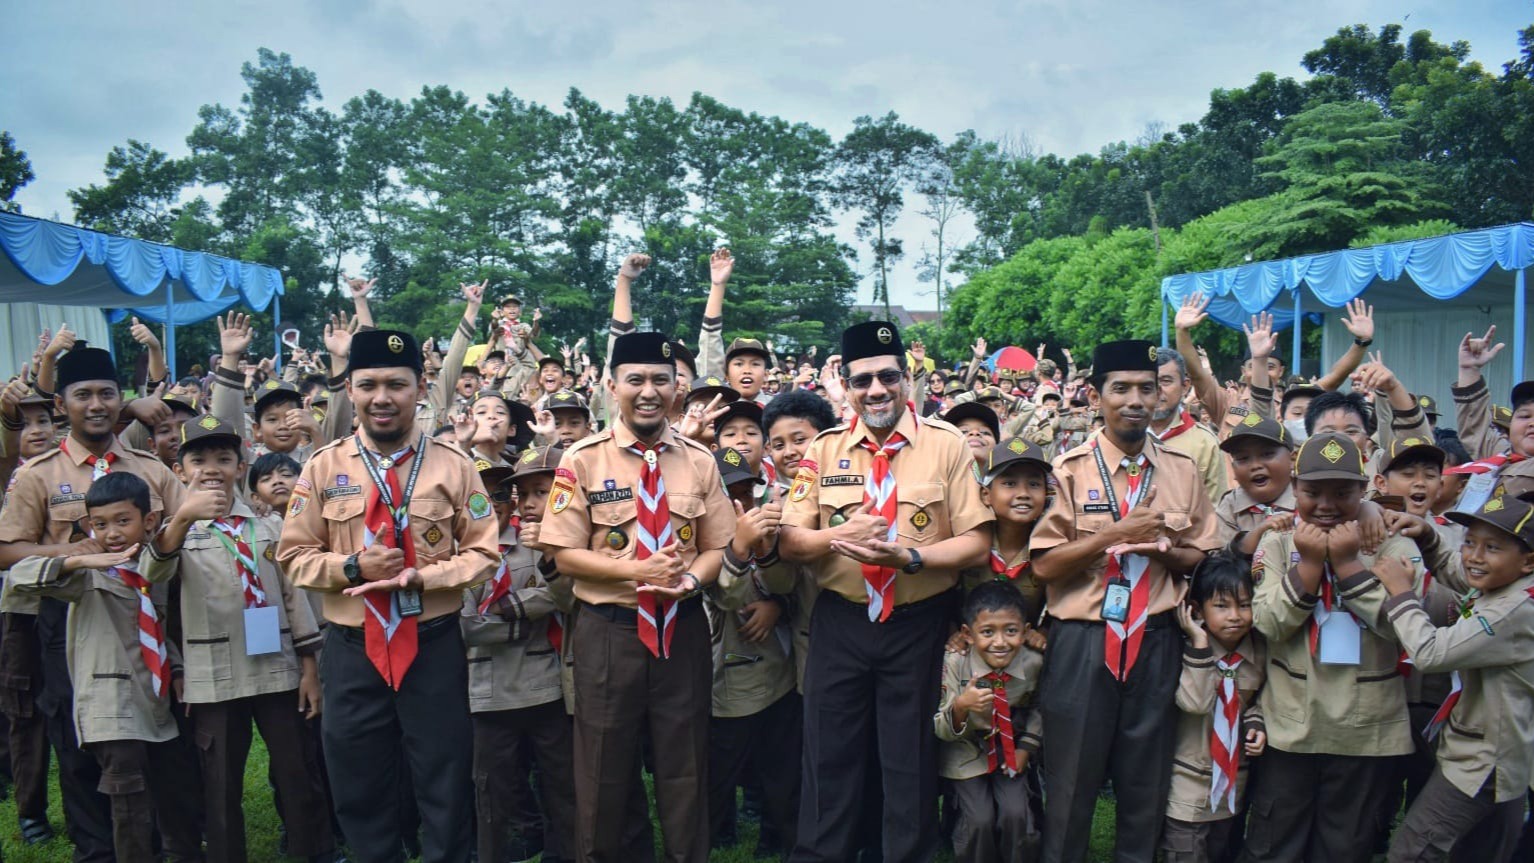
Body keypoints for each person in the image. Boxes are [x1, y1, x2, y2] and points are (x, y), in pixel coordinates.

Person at [278, 328, 500, 863]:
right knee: (357, 780)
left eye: (396, 385)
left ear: (419, 388)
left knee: (445, 775)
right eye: (369, 384)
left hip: (434, 643)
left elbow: (484, 553)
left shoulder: (455, 464)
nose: (383, 397)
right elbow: (292, 556)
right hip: (353, 648)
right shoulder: (323, 467)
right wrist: (351, 565)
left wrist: (428, 576)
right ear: (350, 390)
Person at [780, 320, 992, 863]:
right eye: (863, 380)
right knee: (828, 753)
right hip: (842, 620)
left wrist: (911, 557)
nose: (876, 390)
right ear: (846, 387)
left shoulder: (947, 446)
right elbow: (790, 540)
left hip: (917, 620)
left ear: (907, 378)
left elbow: (976, 541)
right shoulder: (823, 450)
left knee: (909, 758)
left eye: (887, 376)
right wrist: (836, 536)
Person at [537, 331, 735, 862]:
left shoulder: (699, 461)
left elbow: (720, 546)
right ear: (611, 386)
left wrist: (691, 581)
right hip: (609, 632)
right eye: (636, 380)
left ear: (677, 389)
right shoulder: (581, 460)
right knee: (602, 769)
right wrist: (637, 571)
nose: (649, 391)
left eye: (660, 381)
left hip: (683, 628)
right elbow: (563, 553)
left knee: (685, 765)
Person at [1029, 339, 1220, 863]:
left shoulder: (1183, 468)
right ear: (1096, 396)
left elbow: (1204, 558)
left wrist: (1166, 549)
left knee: (1146, 781)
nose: (1136, 399)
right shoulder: (1066, 470)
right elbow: (1044, 565)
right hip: (1084, 641)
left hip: (1157, 640)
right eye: (1121, 389)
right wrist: (1115, 533)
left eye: (1148, 387)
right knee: (1071, 780)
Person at [0, 344, 189, 861]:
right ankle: (97, 849)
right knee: (79, 741)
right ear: (62, 405)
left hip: (152, 614)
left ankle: (153, 840)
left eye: (107, 393)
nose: (97, 404)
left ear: (120, 398)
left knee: (159, 734)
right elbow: (7, 550)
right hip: (72, 618)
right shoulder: (39, 474)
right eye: (82, 395)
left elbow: (184, 532)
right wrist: (75, 553)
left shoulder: (150, 468)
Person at [145, 417, 337, 863]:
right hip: (214, 675)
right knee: (220, 781)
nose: (211, 468)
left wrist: (309, 667)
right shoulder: (175, 533)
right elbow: (154, 581)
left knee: (297, 770)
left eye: (224, 459)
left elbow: (294, 598)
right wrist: (185, 515)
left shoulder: (268, 528)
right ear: (180, 469)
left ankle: (316, 851)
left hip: (279, 667)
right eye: (199, 459)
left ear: (240, 466)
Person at [6, 472, 203, 862]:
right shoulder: (84, 575)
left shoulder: (150, 568)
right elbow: (18, 578)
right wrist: (76, 557)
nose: (111, 533)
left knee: (172, 785)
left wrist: (177, 669)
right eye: (100, 524)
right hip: (109, 703)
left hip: (154, 696)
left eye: (122, 521)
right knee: (125, 793)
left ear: (148, 521)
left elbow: (158, 626)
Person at [1243, 432, 1417, 862]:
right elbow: (1268, 623)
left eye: (1343, 493)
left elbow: (1404, 630)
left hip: (1366, 731)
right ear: (1295, 489)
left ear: (1365, 489)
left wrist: (1347, 565)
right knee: (1275, 843)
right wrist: (1311, 567)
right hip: (1291, 726)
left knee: (1345, 845)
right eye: (1312, 492)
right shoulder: (1279, 544)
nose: (1325, 505)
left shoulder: (1393, 544)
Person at [1375, 492, 1534, 862]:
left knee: (1412, 851)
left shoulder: (1514, 610)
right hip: (1503, 751)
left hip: (1480, 760)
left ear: (1527, 562)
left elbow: (1431, 652)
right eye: (1470, 543)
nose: (1475, 556)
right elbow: (1467, 581)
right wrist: (1430, 538)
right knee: (1481, 851)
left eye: (1492, 547)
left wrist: (1400, 594)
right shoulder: (1507, 588)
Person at [462, 450, 576, 863]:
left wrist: (517, 607)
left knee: (562, 780)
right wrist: (525, 620)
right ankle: (496, 852)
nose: (490, 504)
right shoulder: (461, 555)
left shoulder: (532, 541)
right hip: (487, 690)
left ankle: (565, 851)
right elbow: (466, 625)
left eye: (498, 494)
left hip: (545, 683)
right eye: (479, 496)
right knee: (493, 787)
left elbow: (562, 593)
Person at [706, 446, 799, 856]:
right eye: (727, 493)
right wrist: (739, 549)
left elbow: (797, 585)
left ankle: (776, 836)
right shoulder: (700, 537)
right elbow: (726, 598)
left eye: (745, 491)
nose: (738, 502)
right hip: (719, 675)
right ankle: (716, 832)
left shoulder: (774, 531)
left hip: (776, 671)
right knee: (719, 765)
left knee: (780, 765)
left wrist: (779, 606)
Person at [1164, 552, 1267, 863]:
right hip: (1186, 787)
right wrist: (1198, 643)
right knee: (1187, 853)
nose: (1235, 615)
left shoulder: (1259, 653)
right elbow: (1194, 704)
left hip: (1233, 786)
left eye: (1244, 605)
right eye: (1221, 606)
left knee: (1222, 850)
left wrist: (1257, 722)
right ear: (1197, 610)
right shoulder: (1183, 650)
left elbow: (1260, 699)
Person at [935, 581, 1044, 863]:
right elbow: (940, 726)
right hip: (964, 751)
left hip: (1010, 749)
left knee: (1015, 813)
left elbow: (1040, 708)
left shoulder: (1033, 663)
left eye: (1011, 630)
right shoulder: (954, 663)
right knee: (979, 819)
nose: (1000, 642)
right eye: (987, 632)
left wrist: (1025, 749)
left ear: (1026, 632)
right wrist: (961, 706)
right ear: (967, 634)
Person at [1152, 348, 1228, 505]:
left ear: (1185, 387)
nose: (1157, 390)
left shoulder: (1205, 443)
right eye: (1148, 382)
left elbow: (1216, 512)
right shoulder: (1111, 438)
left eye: (1166, 381)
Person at [1215, 415, 1296, 557]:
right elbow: (1220, 560)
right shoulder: (1230, 506)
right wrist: (1256, 535)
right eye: (1243, 458)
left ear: (1292, 459)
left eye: (1267, 454)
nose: (1255, 466)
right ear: (1233, 468)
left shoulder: (1307, 497)